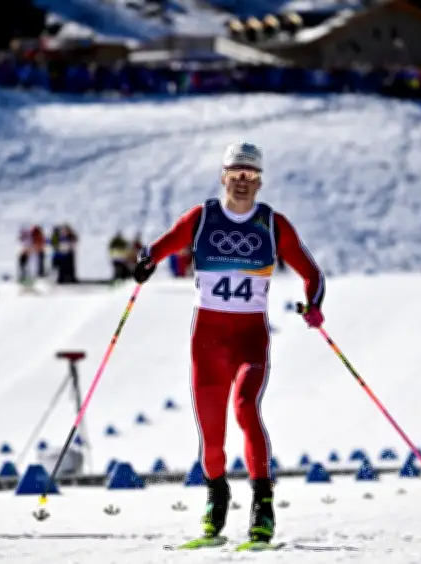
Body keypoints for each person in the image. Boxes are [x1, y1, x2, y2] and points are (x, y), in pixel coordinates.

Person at [132, 142, 325, 544]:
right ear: (223, 177)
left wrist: (314, 305)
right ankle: (216, 494)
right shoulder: (202, 218)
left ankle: (262, 503)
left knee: (245, 409)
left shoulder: (273, 224)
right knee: (211, 432)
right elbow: (161, 246)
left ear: (259, 182)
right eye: (235, 174)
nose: (242, 182)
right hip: (206, 342)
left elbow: (312, 273)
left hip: (249, 339)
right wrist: (146, 262)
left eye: (250, 176)